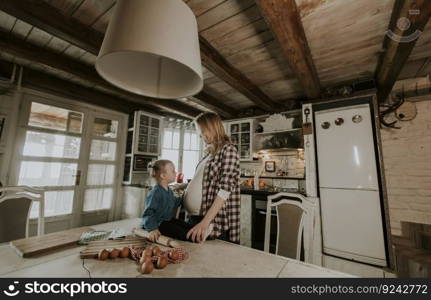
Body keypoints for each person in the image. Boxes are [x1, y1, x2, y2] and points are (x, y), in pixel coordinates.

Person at [183, 112, 241, 244]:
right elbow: (204, 182)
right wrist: (184, 187)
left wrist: (205, 223)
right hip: (195, 218)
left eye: (203, 131)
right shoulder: (208, 155)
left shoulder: (229, 150)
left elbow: (225, 190)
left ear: (213, 127)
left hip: (212, 222)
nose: (200, 135)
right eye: (199, 132)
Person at [141, 159, 212, 242]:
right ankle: (196, 237)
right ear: (163, 176)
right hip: (158, 224)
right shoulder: (155, 192)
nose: (175, 172)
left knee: (183, 224)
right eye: (173, 171)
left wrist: (184, 197)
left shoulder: (169, 191)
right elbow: (148, 213)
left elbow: (174, 203)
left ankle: (201, 233)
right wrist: (152, 229)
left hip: (168, 220)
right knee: (177, 230)